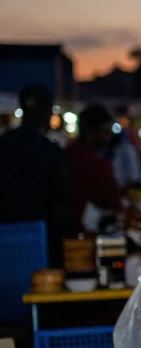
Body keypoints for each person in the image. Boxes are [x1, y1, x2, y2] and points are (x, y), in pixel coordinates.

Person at [0, 84, 71, 266]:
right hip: (44, 245)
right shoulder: (51, 152)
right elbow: (61, 203)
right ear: (47, 112)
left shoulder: (3, 145)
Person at [66, 106, 123, 235]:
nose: (108, 139)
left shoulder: (64, 155)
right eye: (105, 132)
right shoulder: (99, 166)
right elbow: (115, 204)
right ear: (90, 132)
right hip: (87, 235)